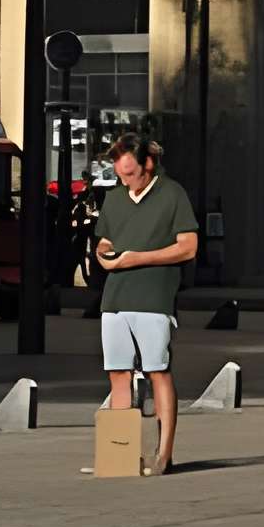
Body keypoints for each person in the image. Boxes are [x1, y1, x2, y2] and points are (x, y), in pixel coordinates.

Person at [92, 131, 199, 476]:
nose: (126, 181)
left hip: (154, 298)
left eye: (132, 173)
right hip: (115, 299)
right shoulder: (114, 199)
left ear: (148, 164)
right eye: (120, 175)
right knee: (118, 374)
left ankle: (163, 454)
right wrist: (104, 256)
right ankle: (121, 456)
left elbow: (188, 246)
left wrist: (139, 259)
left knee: (157, 372)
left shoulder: (173, 194)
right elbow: (104, 241)